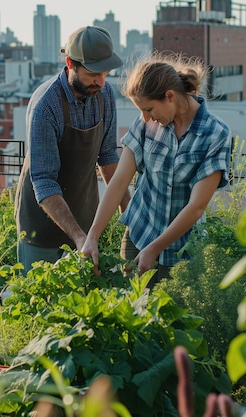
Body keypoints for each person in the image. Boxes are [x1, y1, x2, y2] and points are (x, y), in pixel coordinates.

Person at [81, 52, 232, 288]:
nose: (145, 117)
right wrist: (93, 235)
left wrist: (155, 248)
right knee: (133, 315)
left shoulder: (215, 134)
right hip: (138, 236)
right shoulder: (146, 124)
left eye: (149, 109)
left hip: (183, 254)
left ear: (170, 96)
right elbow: (120, 181)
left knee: (175, 321)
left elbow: (197, 206)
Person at [15, 25, 130, 271]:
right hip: (41, 227)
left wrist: (128, 212)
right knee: (37, 302)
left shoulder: (105, 94)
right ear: (70, 64)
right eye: (92, 74)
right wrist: (79, 238)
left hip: (84, 214)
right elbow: (44, 181)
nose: (101, 82)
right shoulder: (45, 106)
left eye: (105, 73)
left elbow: (108, 155)